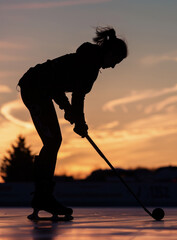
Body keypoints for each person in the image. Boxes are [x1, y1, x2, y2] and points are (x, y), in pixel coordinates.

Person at [18, 26, 128, 220]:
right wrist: (77, 118)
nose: (113, 67)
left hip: (41, 88)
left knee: (52, 142)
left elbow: (65, 91)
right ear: (110, 53)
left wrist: (72, 113)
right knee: (52, 142)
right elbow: (67, 92)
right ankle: (43, 197)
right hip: (34, 87)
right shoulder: (89, 64)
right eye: (116, 61)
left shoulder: (90, 62)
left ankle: (42, 197)